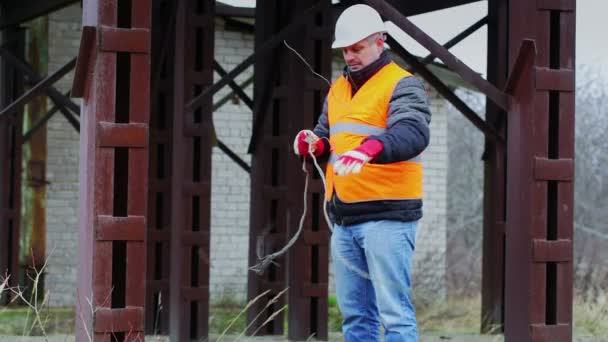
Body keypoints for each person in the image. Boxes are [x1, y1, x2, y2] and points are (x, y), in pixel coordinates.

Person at [292, 4, 431, 342]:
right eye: (346, 49)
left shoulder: (403, 84)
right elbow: (327, 136)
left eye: (357, 48)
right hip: (345, 219)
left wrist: (370, 149)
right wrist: (314, 144)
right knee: (355, 318)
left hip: (388, 218)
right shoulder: (338, 89)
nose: (350, 55)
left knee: (394, 315)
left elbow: (414, 132)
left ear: (379, 42)